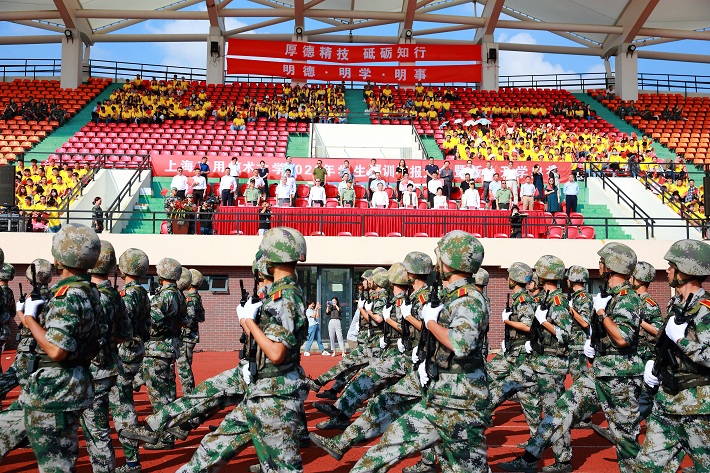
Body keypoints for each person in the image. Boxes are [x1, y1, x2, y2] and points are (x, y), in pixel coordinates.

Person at [349, 231, 490, 473]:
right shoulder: (452, 295)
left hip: (463, 405)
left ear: (451, 261)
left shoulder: (468, 299)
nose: (438, 262)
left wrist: (431, 322)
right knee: (385, 449)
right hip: (440, 397)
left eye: (441, 257)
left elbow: (461, 344)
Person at [501, 243, 643, 473]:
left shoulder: (628, 299)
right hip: (600, 370)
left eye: (603, 261)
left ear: (613, 265)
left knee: (626, 443)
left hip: (621, 377)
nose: (599, 265)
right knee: (558, 411)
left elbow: (623, 339)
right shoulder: (610, 296)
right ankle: (529, 459)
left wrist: (601, 312)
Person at [177, 227, 308, 473]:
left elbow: (276, 353)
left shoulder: (285, 298)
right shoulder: (282, 294)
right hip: (261, 393)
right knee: (210, 450)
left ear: (271, 258)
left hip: (276, 399)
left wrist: (248, 321)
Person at [15, 224, 101, 472]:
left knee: (56, 464)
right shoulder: (91, 291)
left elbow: (56, 350)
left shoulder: (68, 294)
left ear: (59, 258)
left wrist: (29, 318)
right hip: (69, 383)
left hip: (55, 389)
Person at [634, 239, 710, 472]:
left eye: (672, 266)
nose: (667, 270)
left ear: (686, 269)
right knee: (645, 467)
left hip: (697, 408)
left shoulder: (705, 310)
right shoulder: (675, 304)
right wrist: (654, 363)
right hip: (666, 402)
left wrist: (681, 340)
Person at [83, 240, 132, 473]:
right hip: (112, 365)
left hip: (94, 371)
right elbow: (125, 334)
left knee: (97, 431)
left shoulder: (92, 296)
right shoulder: (114, 295)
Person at [110, 249, 150, 473]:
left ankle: (132, 460)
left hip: (124, 352)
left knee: (122, 405)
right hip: (136, 350)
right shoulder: (142, 292)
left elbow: (120, 324)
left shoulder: (128, 294)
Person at [140, 257, 187, 449]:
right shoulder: (179, 295)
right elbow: (184, 321)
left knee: (158, 395)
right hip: (170, 346)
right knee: (168, 394)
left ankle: (165, 437)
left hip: (157, 349)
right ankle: (172, 431)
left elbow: (151, 322)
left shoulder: (163, 297)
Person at [177, 269, 204, 395]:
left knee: (184, 367)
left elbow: (190, 319)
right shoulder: (197, 298)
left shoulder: (190, 299)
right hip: (191, 336)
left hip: (186, 337)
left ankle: (189, 395)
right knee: (185, 365)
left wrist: (181, 329)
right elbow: (201, 317)